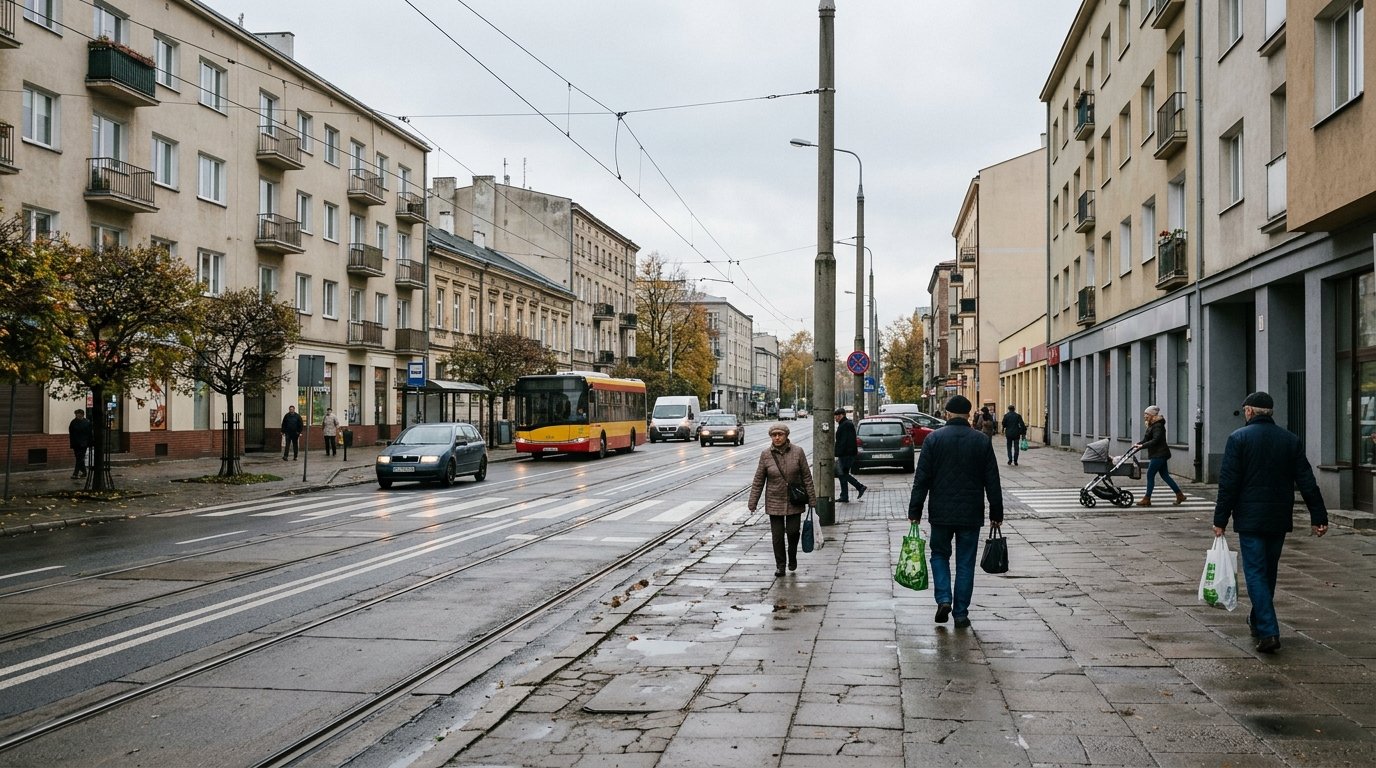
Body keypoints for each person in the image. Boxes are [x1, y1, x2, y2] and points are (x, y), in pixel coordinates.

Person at [1212, 391, 1327, 654]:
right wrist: (1318, 516)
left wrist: (1220, 520)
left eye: (1245, 411)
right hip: (1278, 517)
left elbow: (1228, 483)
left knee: (1255, 572)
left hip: (1251, 519)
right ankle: (1256, 619)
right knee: (1268, 571)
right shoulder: (1290, 440)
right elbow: (1307, 480)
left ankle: (1269, 631)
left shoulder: (1238, 438)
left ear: (1250, 411)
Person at [908, 394, 1003, 629]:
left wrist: (915, 510)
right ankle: (960, 613)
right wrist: (996, 513)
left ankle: (943, 599)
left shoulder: (933, 440)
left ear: (948, 414)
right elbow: (992, 480)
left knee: (939, 555)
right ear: (969, 415)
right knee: (965, 562)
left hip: (940, 513)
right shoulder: (981, 441)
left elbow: (922, 480)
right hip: (971, 514)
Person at [748, 423, 817, 577]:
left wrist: (812, 499)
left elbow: (806, 476)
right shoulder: (766, 455)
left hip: (794, 500)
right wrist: (753, 502)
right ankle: (780, 565)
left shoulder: (798, 452)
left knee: (793, 532)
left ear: (786, 436)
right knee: (777, 537)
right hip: (774, 501)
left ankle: (792, 556)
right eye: (774, 435)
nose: (777, 437)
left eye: (780, 434)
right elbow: (759, 480)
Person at [1133, 405, 1185, 506]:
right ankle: (1180, 495)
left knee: (1150, 474)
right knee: (1165, 475)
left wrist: (1142, 446)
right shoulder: (1152, 425)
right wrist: (1138, 444)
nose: (1145, 416)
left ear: (1152, 415)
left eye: (1146, 414)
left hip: (1159, 454)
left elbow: (1155, 440)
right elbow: (1146, 439)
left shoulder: (1158, 426)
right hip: (1159, 454)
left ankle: (1147, 499)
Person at [833, 407, 867, 502]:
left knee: (843, 473)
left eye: (836, 417)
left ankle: (859, 487)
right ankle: (845, 495)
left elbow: (843, 441)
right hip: (847, 454)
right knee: (842, 474)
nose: (835, 419)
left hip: (846, 454)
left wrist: (837, 453)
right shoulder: (845, 424)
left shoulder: (845, 425)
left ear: (841, 416)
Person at [68, 409, 93, 479]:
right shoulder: (73, 422)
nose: (77, 416)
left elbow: (89, 434)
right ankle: (84, 472)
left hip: (83, 444)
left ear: (82, 415)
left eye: (78, 414)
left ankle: (75, 473)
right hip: (76, 443)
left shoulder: (87, 422)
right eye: (76, 415)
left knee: (79, 458)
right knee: (79, 458)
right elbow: (71, 433)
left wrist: (90, 443)